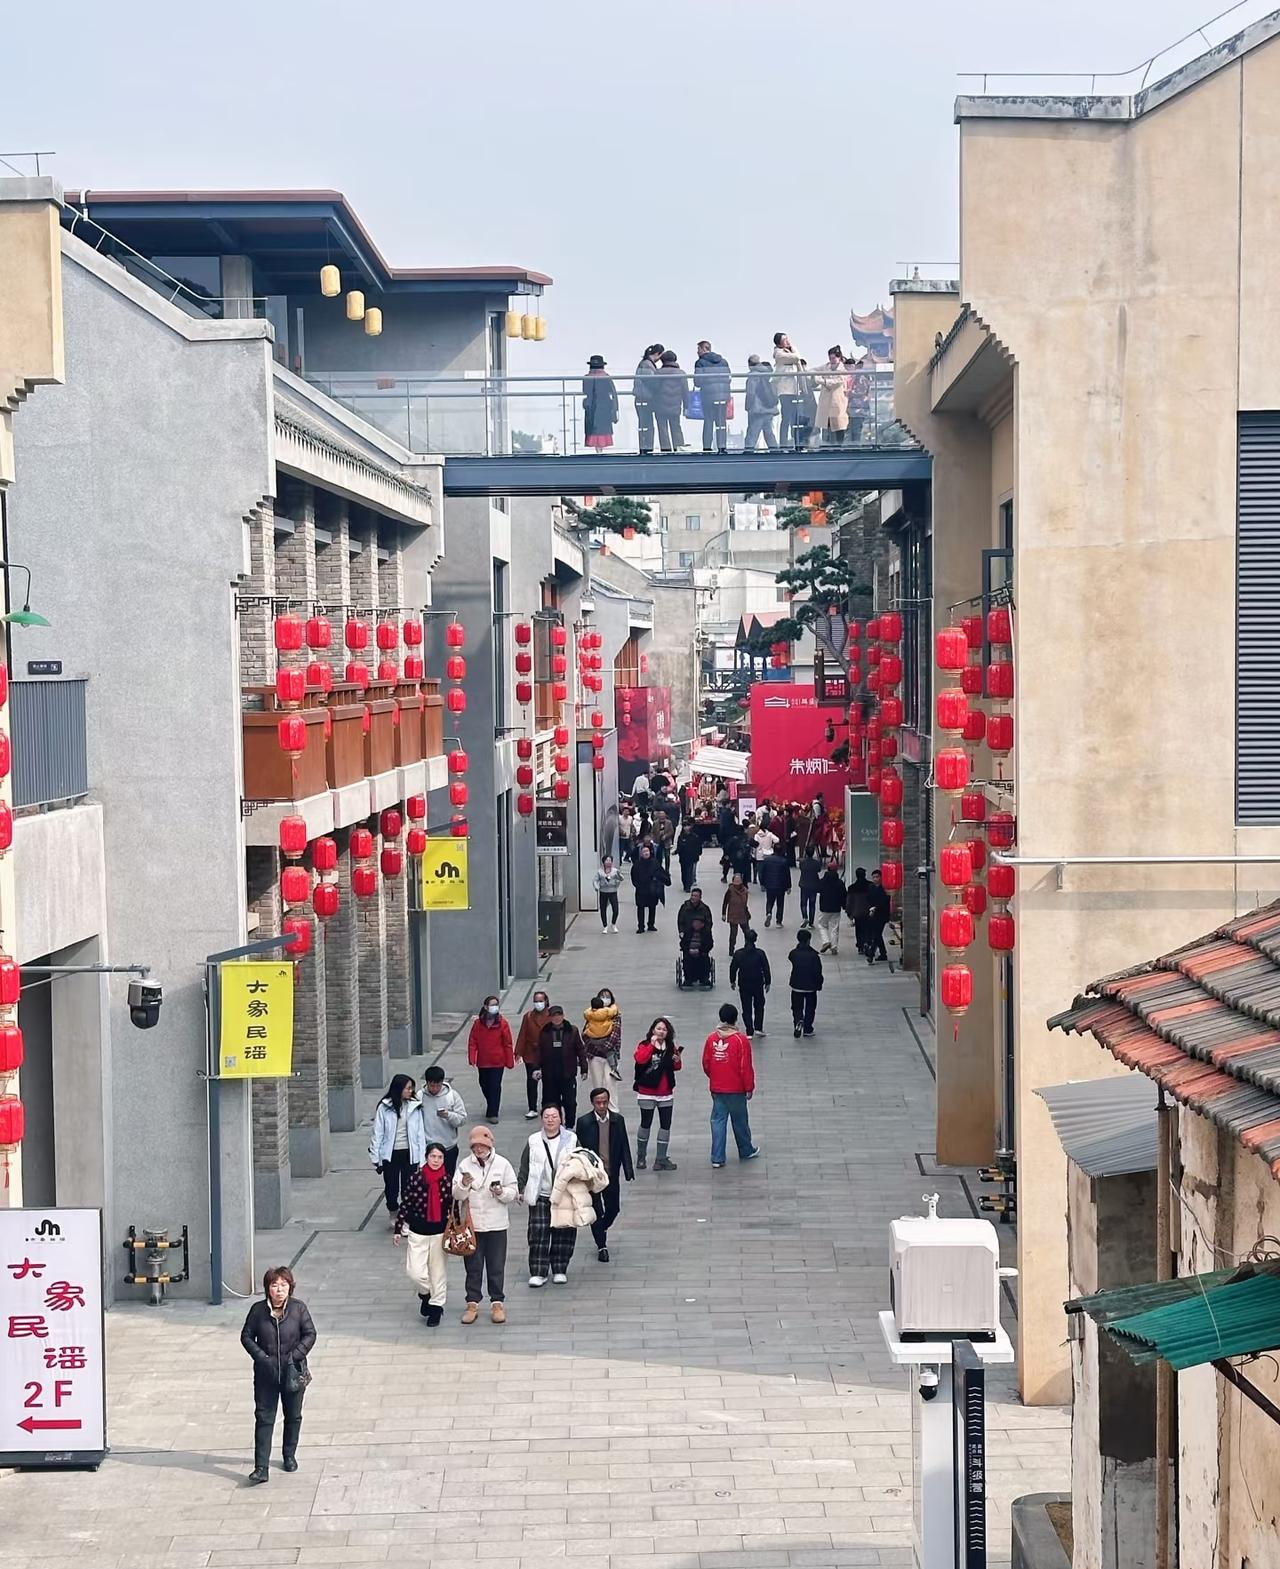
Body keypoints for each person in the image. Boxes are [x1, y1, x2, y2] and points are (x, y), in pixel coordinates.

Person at [241, 1265, 316, 1483]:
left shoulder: (298, 1309)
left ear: (290, 1288)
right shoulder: (257, 1311)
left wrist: (295, 1356)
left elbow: (310, 1334)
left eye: (283, 1285)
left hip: (293, 1372)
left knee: (293, 1416)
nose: (279, 1290)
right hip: (266, 1375)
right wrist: (262, 1358)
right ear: (268, 1289)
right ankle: (261, 1467)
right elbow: (246, 1337)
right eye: (275, 1285)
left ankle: (289, 1455)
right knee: (264, 1418)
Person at [453, 1125, 518, 1323]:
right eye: (475, 1146)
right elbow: (456, 1195)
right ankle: (472, 1303)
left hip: (497, 1224)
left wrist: (500, 1193)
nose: (478, 1149)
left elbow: (513, 1191)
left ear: (489, 1144)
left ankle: (497, 1303)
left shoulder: (502, 1164)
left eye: (482, 1145)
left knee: (496, 1265)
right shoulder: (465, 1164)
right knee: (473, 1266)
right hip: (473, 1225)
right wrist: (464, 1184)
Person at [517, 1105, 579, 1286]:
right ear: (542, 1119)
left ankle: (560, 1268)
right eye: (546, 1116)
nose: (550, 1120)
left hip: (564, 1193)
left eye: (554, 1116)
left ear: (560, 1119)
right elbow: (525, 1165)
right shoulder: (533, 1140)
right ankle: (538, 1271)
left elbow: (580, 1163)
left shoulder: (571, 1139)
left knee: (564, 1231)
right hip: (540, 1193)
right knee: (538, 1233)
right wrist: (521, 1188)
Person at [394, 1142, 452, 1325]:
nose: (436, 1160)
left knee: (438, 1272)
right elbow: (406, 1203)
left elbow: (453, 1206)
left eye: (440, 1157)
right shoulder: (416, 1178)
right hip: (417, 1231)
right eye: (433, 1156)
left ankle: (436, 1308)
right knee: (415, 1272)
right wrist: (398, 1228)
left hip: (439, 1232)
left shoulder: (447, 1180)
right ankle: (425, 1294)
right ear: (426, 1157)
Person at [575, 1087, 634, 1261]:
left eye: (604, 1102)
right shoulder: (584, 1122)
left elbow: (624, 1144)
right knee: (596, 1210)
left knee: (613, 1208)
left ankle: (602, 1227)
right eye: (598, 1102)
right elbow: (579, 1149)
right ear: (592, 1103)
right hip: (593, 1175)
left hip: (611, 1172)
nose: (601, 1105)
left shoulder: (617, 1120)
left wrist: (628, 1168)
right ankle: (602, 1245)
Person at [702, 1004, 759, 1168]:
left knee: (718, 1121)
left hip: (717, 1088)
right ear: (735, 1018)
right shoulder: (740, 1040)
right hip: (736, 1089)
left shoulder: (712, 1038)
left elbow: (706, 1063)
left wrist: (714, 1077)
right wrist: (749, 1087)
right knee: (740, 1120)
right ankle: (746, 1149)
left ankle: (717, 1157)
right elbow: (745, 1067)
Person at [369, 1073, 425, 1221]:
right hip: (391, 1154)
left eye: (412, 1088)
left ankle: (405, 1217)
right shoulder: (384, 1107)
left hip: (409, 1153)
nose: (410, 1091)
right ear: (398, 1089)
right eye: (407, 1088)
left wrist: (422, 1158)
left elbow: (420, 1134)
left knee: (408, 1189)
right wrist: (375, 1156)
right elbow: (378, 1132)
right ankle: (393, 1209)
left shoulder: (416, 1107)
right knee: (391, 1188)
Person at [633, 1017, 681, 1171]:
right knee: (646, 1123)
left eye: (664, 1029)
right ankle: (641, 1156)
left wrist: (677, 1059)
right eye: (658, 1028)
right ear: (653, 1030)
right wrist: (652, 1045)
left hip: (665, 1092)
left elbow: (676, 1067)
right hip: (647, 1091)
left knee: (665, 1125)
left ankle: (661, 1158)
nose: (661, 1031)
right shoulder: (644, 1045)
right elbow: (640, 1060)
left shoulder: (671, 1046)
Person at [536, 1003, 588, 1126]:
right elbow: (539, 1051)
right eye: (554, 1016)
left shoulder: (572, 1030)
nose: (557, 1018)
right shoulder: (545, 1032)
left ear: (563, 1016)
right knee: (551, 1103)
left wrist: (584, 1068)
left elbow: (580, 1050)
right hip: (550, 1074)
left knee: (570, 1101)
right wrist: (536, 1068)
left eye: (559, 1015)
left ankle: (570, 1125)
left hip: (568, 1073)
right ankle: (556, 1125)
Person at [467, 996, 514, 1123]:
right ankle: (491, 1102)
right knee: (484, 1084)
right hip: (483, 1061)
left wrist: (510, 1060)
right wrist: (472, 1057)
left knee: (495, 1086)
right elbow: (473, 1041)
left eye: (496, 1004)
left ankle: (493, 1112)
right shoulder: (478, 1024)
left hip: (498, 1061)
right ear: (486, 1007)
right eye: (492, 1004)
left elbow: (507, 1043)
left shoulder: (503, 1023)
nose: (494, 1007)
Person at [419, 1065, 468, 1175]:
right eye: (432, 1086)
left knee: (447, 1179)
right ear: (427, 1083)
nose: (435, 1089)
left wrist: (448, 1115)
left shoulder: (452, 1096)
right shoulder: (420, 1097)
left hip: (448, 1147)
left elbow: (462, 1119)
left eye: (438, 1085)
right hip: (428, 1147)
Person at [729, 928, 771, 1039]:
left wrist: (732, 980)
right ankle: (758, 1027)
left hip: (744, 983)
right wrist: (768, 982)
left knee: (746, 1007)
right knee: (759, 1005)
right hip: (758, 983)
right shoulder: (760, 953)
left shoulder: (739, 954)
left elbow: (733, 968)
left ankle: (749, 1030)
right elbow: (766, 968)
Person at [514, 988, 550, 1120]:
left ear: (546, 1001)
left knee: (548, 1081)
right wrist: (518, 1052)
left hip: (547, 1054)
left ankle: (547, 1105)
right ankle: (532, 1108)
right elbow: (522, 1034)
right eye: (536, 1001)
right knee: (531, 1082)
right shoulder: (528, 1016)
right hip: (531, 1054)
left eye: (540, 1001)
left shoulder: (552, 1016)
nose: (538, 1003)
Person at [693, 340, 732, 453]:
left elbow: (698, 381)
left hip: (708, 396)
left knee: (708, 421)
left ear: (704, 348)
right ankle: (722, 447)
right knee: (721, 422)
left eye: (698, 349)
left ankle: (707, 448)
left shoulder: (700, 362)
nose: (697, 352)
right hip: (723, 395)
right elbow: (728, 378)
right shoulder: (723, 361)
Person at [787, 928, 824, 1037]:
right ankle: (808, 1028)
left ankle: (798, 1020)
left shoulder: (794, 953)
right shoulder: (814, 956)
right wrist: (819, 984)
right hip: (810, 986)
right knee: (810, 1007)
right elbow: (818, 971)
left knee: (797, 1006)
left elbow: (791, 958)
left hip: (796, 984)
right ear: (809, 940)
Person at [773, 332, 807, 450]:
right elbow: (797, 357)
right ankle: (783, 445)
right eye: (785, 340)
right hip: (785, 391)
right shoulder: (778, 353)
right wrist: (793, 350)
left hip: (795, 390)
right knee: (786, 418)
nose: (788, 341)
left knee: (796, 418)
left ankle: (798, 444)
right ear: (779, 343)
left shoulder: (789, 352)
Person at [653, 350, 689, 453]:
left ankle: (666, 450)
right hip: (675, 406)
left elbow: (654, 389)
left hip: (660, 406)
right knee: (676, 427)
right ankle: (678, 448)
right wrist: (686, 406)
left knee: (662, 429)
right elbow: (685, 392)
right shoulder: (681, 373)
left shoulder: (658, 373)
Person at [814, 346, 851, 446]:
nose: (832, 360)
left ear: (839, 358)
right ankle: (826, 446)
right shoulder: (826, 367)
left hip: (837, 400)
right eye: (830, 358)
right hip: (826, 401)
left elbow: (837, 381)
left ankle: (839, 446)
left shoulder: (843, 369)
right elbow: (813, 370)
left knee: (839, 425)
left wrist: (823, 381)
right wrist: (816, 377)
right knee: (826, 425)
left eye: (834, 358)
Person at [582, 994, 619, 1092]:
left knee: (597, 1083)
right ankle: (614, 1069)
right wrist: (613, 1006)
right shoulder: (606, 1012)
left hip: (593, 1037)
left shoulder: (589, 1014)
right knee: (610, 1053)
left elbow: (585, 1014)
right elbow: (614, 1011)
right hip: (604, 1036)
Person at [678, 892, 715, 988]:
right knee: (687, 959)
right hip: (689, 951)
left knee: (704, 959)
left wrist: (701, 950)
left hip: (701, 951)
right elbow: (683, 943)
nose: (693, 897)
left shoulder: (705, 909)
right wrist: (682, 932)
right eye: (692, 895)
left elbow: (709, 944)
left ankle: (704, 977)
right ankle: (688, 978)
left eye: (695, 896)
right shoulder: (685, 908)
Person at [743, 353, 780, 450]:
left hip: (757, 409)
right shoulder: (766, 373)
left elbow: (751, 393)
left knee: (752, 433)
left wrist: (748, 406)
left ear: (750, 364)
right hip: (769, 408)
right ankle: (775, 452)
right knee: (769, 433)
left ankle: (747, 453)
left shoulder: (753, 376)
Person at [630, 842, 669, 933]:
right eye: (644, 852)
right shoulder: (637, 864)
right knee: (640, 908)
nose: (646, 853)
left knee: (652, 907)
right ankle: (641, 926)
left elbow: (661, 873)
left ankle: (651, 924)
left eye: (647, 851)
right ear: (641, 854)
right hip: (641, 890)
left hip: (652, 889)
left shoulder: (655, 862)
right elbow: (633, 876)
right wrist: (637, 885)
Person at [634, 343, 664, 455]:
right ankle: (646, 448)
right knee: (647, 425)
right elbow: (651, 382)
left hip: (642, 398)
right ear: (657, 354)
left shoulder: (644, 364)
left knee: (645, 425)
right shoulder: (647, 365)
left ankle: (645, 447)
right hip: (644, 399)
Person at [582, 355, 618, 449]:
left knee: (592, 428)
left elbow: (585, 391)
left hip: (591, 406)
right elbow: (612, 392)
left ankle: (596, 447)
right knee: (603, 429)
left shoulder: (587, 378)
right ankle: (601, 447)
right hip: (605, 406)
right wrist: (615, 410)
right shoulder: (606, 377)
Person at [816, 858, 847, 954]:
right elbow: (844, 895)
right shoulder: (840, 883)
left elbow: (818, 889)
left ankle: (826, 941)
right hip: (836, 908)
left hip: (824, 907)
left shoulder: (822, 881)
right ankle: (834, 947)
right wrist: (844, 906)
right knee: (835, 928)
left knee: (822, 925)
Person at [758, 844, 792, 929]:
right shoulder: (784, 861)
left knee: (769, 901)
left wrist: (762, 883)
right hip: (781, 886)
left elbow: (762, 872)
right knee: (780, 904)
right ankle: (779, 922)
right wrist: (788, 886)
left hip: (769, 885)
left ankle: (769, 912)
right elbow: (787, 875)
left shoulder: (767, 860)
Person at [866, 869, 893, 967]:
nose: (875, 879)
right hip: (873, 914)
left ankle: (871, 954)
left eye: (877, 877)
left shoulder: (884, 889)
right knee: (877, 934)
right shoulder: (871, 888)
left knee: (876, 934)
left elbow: (885, 902)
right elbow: (868, 899)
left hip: (882, 914)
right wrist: (870, 908)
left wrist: (876, 908)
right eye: (874, 877)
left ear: (881, 877)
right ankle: (883, 953)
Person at [846, 866, 873, 956]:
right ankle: (867, 943)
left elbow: (849, 901)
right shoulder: (870, 886)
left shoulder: (852, 888)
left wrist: (849, 912)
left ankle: (860, 946)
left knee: (859, 929)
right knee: (868, 928)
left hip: (857, 912)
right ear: (864, 875)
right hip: (868, 911)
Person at [722, 870, 751, 954]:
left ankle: (748, 947)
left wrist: (747, 913)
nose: (737, 883)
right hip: (733, 915)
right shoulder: (730, 890)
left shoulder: (745, 891)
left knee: (747, 933)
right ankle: (731, 950)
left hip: (743, 914)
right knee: (733, 934)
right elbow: (725, 902)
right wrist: (723, 914)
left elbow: (745, 904)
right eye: (735, 881)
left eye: (739, 881)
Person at [599, 984, 624, 1081]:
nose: (605, 999)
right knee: (598, 1083)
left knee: (610, 1084)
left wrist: (604, 1047)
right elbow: (586, 1031)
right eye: (602, 997)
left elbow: (615, 1035)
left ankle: (614, 1069)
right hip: (595, 1053)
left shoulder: (615, 1014)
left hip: (610, 1049)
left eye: (607, 997)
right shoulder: (592, 1013)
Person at [594, 853, 623, 932]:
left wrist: (619, 875)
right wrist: (597, 887)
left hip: (613, 891)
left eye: (610, 860)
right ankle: (605, 926)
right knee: (603, 909)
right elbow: (595, 880)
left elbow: (621, 878)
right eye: (607, 860)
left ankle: (613, 924)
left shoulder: (615, 871)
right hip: (603, 891)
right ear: (603, 862)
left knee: (615, 909)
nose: (608, 862)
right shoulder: (600, 871)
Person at [797, 846, 822, 929]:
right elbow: (819, 870)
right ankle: (811, 923)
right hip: (814, 885)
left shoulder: (802, 862)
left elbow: (801, 869)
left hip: (804, 884)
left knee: (803, 903)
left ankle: (805, 917)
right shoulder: (816, 863)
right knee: (812, 904)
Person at [675, 821, 702, 892]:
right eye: (685, 826)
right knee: (684, 872)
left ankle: (688, 886)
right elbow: (679, 847)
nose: (686, 828)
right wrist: (676, 852)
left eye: (688, 826)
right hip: (683, 858)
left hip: (691, 857)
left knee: (689, 872)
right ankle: (685, 884)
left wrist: (698, 854)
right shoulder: (681, 837)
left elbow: (698, 847)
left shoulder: (695, 837)